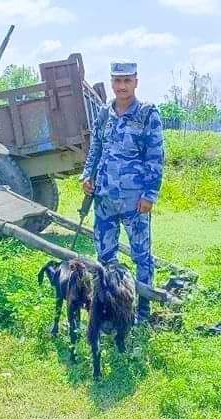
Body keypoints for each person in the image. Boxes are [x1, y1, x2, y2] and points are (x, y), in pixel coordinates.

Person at [80, 62, 165, 324]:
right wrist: (87, 175)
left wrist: (150, 194)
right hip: (104, 199)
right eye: (117, 81)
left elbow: (156, 156)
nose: (121, 86)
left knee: (142, 257)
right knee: (105, 257)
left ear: (136, 82)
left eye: (127, 80)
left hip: (135, 201)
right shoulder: (105, 113)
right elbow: (96, 148)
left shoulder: (148, 114)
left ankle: (142, 311)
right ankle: (109, 308)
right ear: (112, 82)